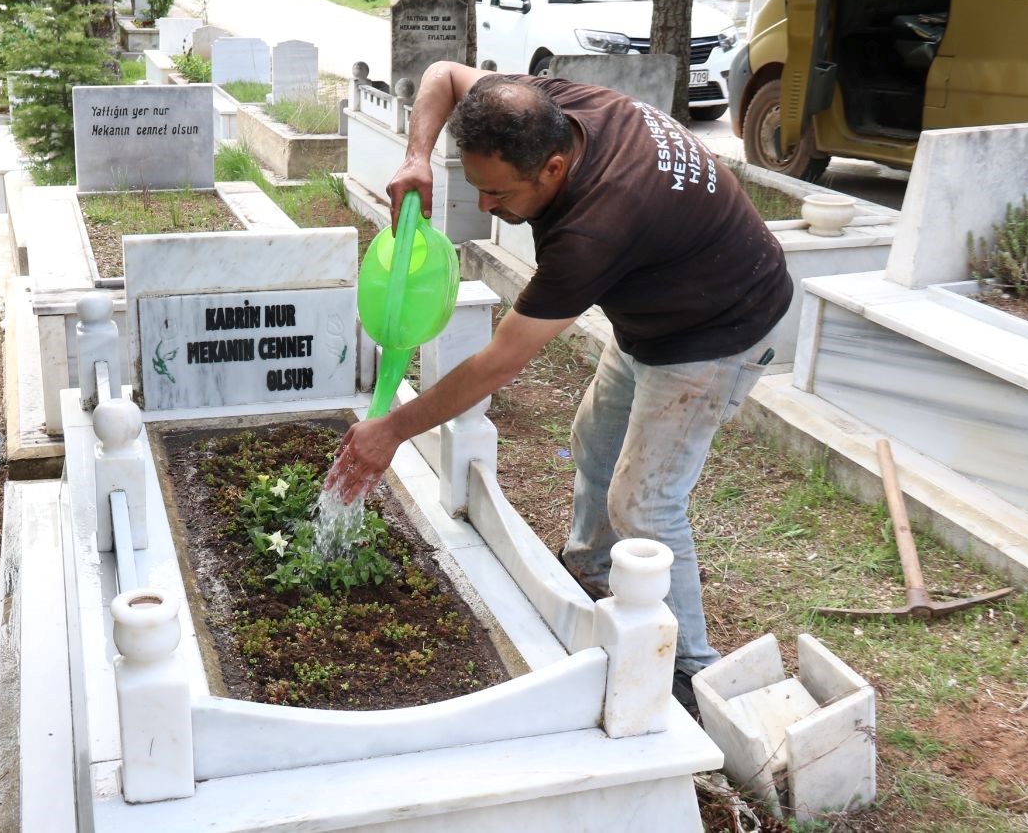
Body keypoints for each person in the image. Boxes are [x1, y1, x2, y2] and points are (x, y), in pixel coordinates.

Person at [325, 61, 794, 705]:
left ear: (552, 168)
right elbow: (441, 73)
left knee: (644, 501)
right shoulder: (547, 107)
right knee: (594, 443)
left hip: (720, 326)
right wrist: (418, 158)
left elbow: (499, 363)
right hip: (662, 300)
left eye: (499, 195)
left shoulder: (595, 226)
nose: (484, 205)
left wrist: (391, 432)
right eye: (476, 186)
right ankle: (594, 573)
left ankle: (688, 670)